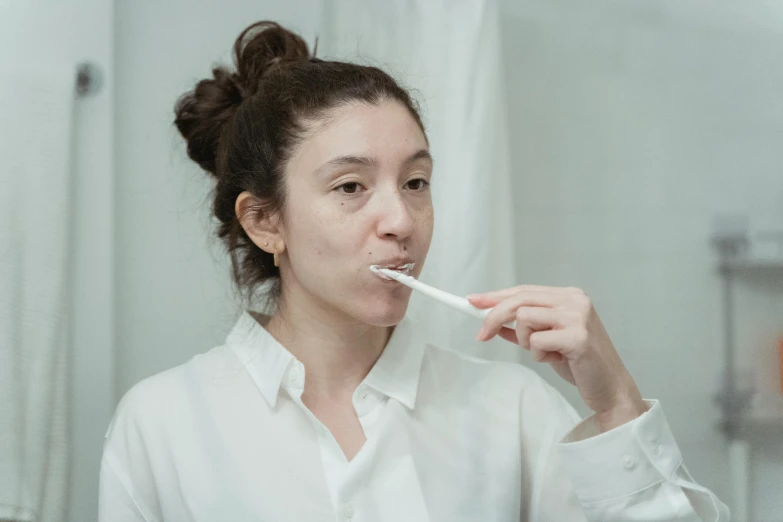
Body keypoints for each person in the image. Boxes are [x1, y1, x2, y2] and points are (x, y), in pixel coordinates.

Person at [99, 20, 729, 521]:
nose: (401, 219)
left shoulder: (513, 413)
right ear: (266, 222)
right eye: (350, 186)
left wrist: (615, 402)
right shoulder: (160, 425)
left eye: (417, 181)